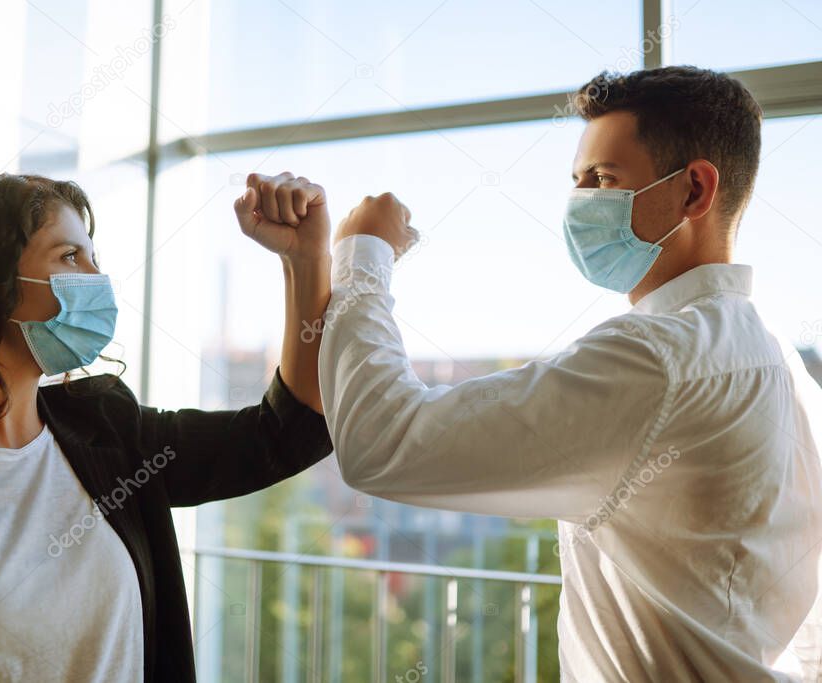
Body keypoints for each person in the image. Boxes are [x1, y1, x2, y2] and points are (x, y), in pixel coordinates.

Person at [315, 66, 822, 680]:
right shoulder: (781, 363)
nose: (580, 202)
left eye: (603, 179)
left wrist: (362, 255)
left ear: (694, 191)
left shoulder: (655, 360)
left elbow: (381, 443)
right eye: (578, 181)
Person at [0, 172, 333, 682]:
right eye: (70, 256)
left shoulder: (110, 430)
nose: (96, 279)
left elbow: (284, 432)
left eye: (93, 257)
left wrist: (305, 259)